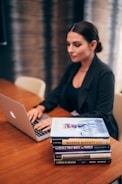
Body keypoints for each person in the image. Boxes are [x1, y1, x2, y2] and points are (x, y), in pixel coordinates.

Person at [27, 21, 118, 140]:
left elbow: (102, 116)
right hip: (75, 125)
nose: (70, 50)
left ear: (93, 45)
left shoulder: (105, 74)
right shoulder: (73, 67)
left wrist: (61, 123)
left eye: (76, 45)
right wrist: (40, 107)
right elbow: (58, 93)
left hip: (100, 133)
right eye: (68, 44)